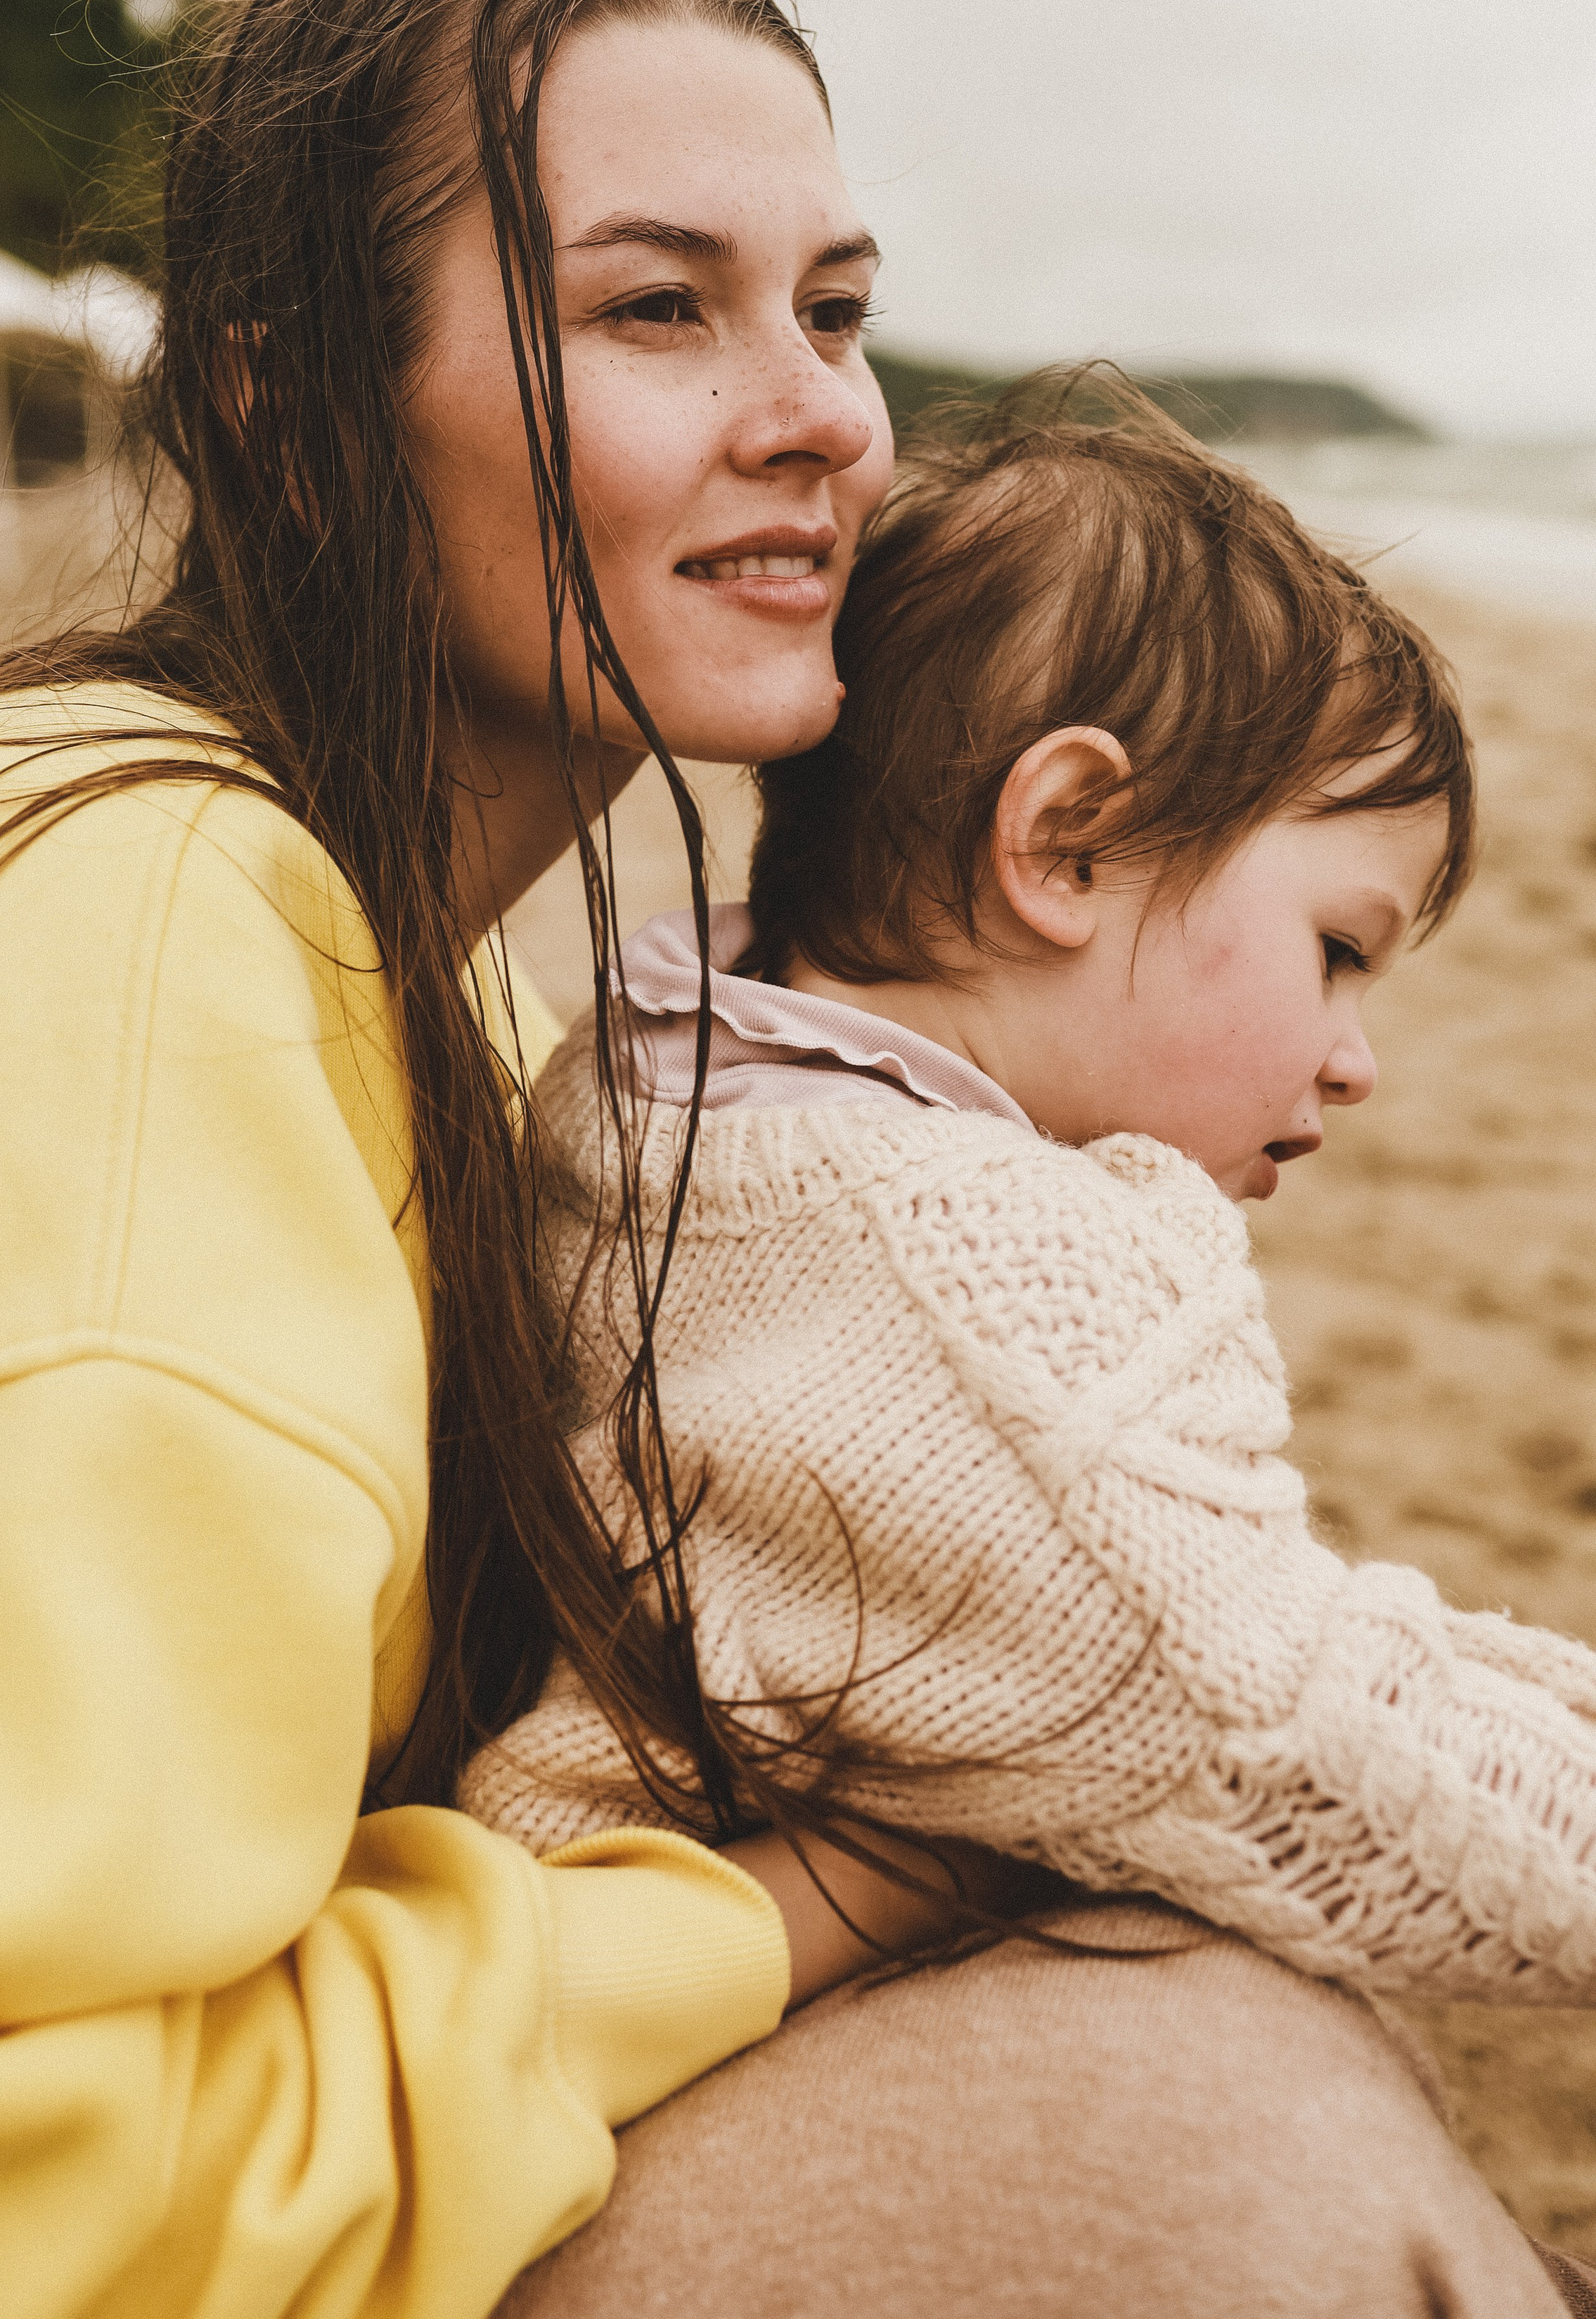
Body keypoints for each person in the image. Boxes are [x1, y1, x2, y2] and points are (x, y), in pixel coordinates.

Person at [0, 0, 1581, 2319]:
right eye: (662, 306)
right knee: (1211, 2129)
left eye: (834, 312)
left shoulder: (499, 1020)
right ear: (288, 407)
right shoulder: (121, 955)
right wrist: (804, 1906)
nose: (826, 414)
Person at [462, 385, 1596, 1999]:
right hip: (673, 2042)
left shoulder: (658, 1072)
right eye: (1335, 952)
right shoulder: (961, 1294)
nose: (1353, 1063)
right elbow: (1311, 1745)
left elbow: (1263, 1624)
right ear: (1064, 842)